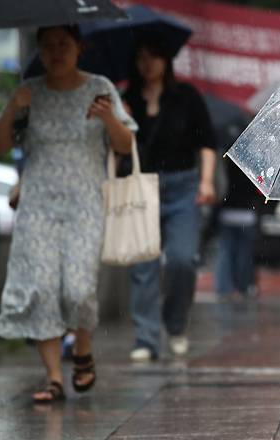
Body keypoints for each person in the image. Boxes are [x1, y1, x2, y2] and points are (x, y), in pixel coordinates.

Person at [0, 25, 136, 403]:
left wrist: (108, 118)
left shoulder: (98, 87)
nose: (56, 52)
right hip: (37, 204)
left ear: (79, 48)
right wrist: (11, 108)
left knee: (78, 288)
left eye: (64, 44)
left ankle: (83, 346)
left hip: (85, 203)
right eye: (48, 45)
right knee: (41, 290)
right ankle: (53, 378)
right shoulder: (29, 92)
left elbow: (124, 144)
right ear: (39, 50)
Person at [122, 37, 217, 362]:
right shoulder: (127, 99)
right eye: (141, 57)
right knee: (143, 266)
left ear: (166, 60)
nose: (147, 63)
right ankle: (146, 338)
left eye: (154, 56)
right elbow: (118, 148)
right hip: (142, 188)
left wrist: (205, 181)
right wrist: (118, 120)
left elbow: (207, 141)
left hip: (183, 186)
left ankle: (175, 324)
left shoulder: (186, 96)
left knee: (182, 259)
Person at [215, 161, 260, 300]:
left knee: (225, 252)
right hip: (246, 214)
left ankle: (225, 288)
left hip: (227, 211)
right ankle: (243, 286)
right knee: (244, 254)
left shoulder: (226, 158)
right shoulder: (252, 162)